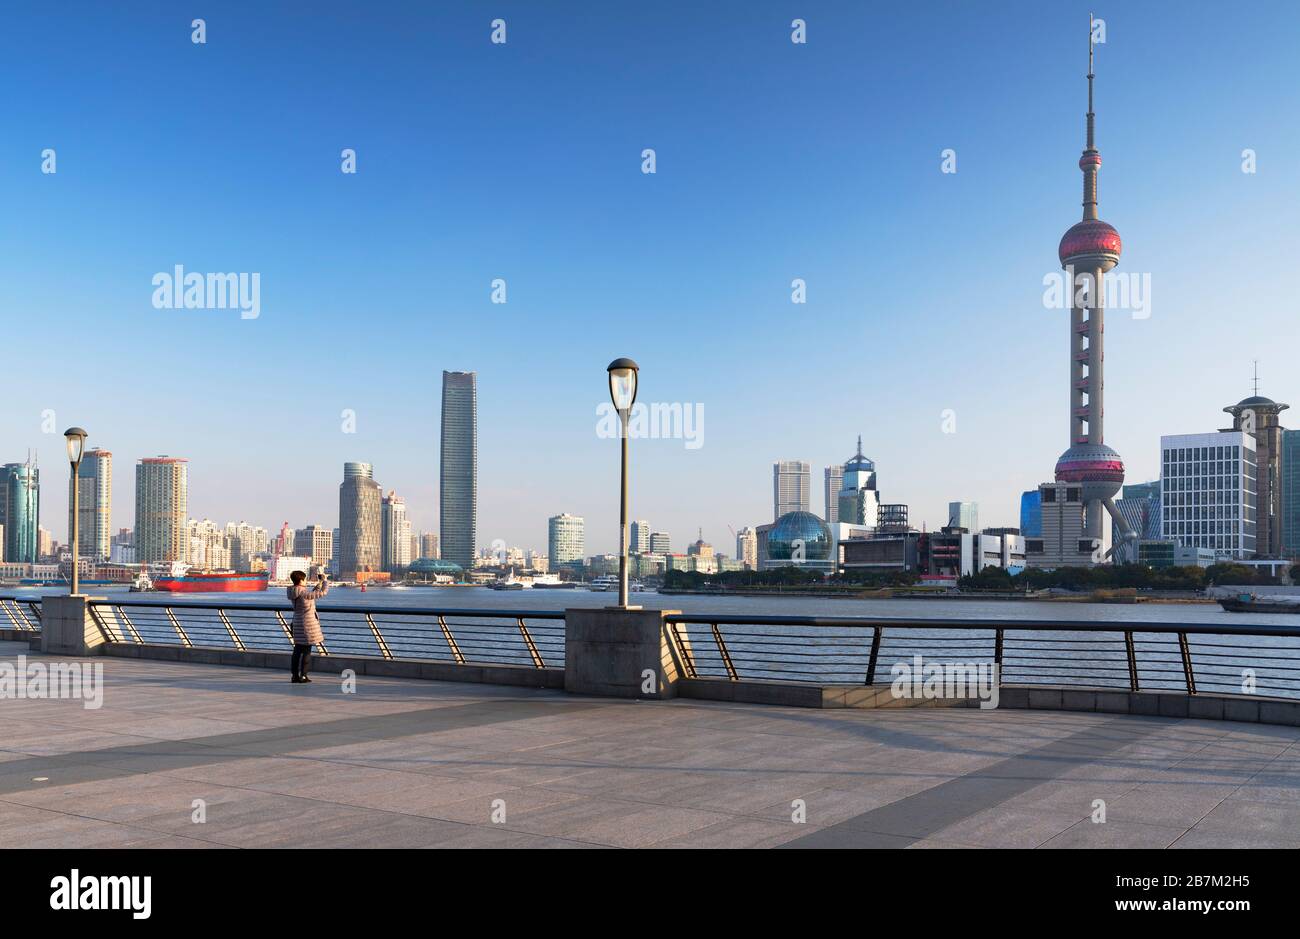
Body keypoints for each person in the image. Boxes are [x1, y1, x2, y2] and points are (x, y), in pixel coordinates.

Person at [287, 570, 328, 683]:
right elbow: (322, 593)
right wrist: (324, 581)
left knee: (297, 650)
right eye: (305, 579)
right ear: (301, 580)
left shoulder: (294, 591)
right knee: (306, 651)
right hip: (306, 625)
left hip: (297, 623)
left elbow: (310, 596)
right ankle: (303, 675)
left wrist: (318, 585)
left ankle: (294, 676)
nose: (306, 581)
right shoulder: (302, 592)